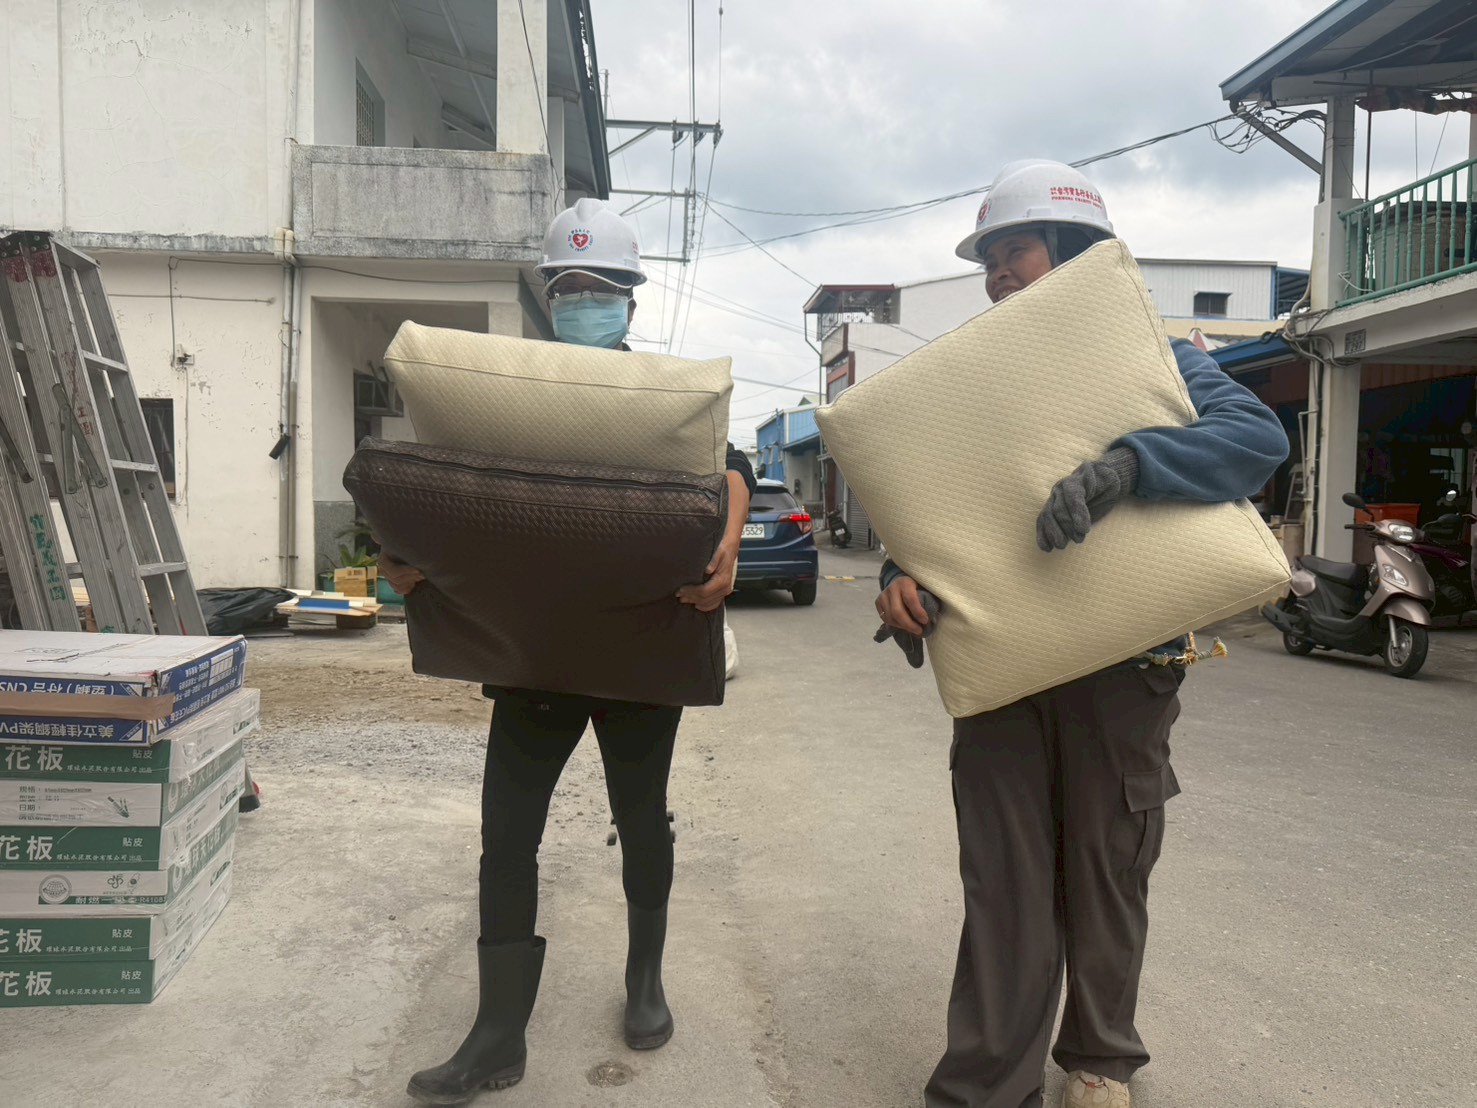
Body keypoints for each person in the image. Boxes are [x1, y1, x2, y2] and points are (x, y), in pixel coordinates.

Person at [875, 161, 1289, 1108]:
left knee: (1106, 870)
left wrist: (1126, 467)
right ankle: (984, 1086)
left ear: (1074, 252)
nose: (996, 274)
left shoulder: (1157, 358)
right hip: (1004, 668)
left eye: (1013, 250)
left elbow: (1255, 438)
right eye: (987, 260)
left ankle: (1101, 1061)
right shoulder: (970, 382)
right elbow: (931, 507)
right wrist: (899, 577)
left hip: (1123, 669)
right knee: (1004, 882)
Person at [382, 198, 755, 1105]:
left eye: (601, 288)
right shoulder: (507, 385)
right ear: (549, 298)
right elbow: (446, 480)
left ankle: (644, 979)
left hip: (639, 651)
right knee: (507, 833)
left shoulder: (661, 393)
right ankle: (496, 1034)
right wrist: (405, 551)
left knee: (642, 816)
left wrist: (728, 546)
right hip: (534, 652)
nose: (586, 301)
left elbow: (731, 468)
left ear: (630, 299)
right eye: (570, 288)